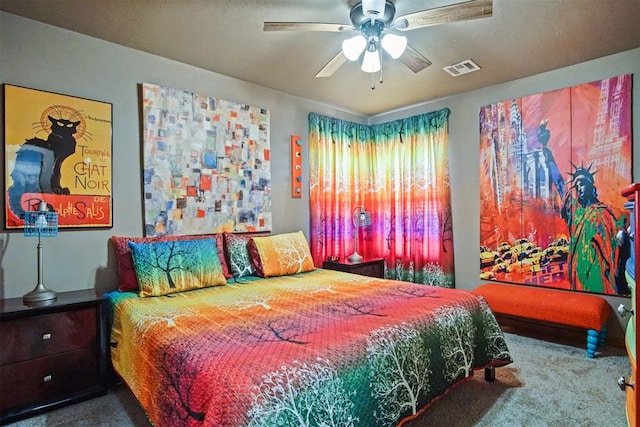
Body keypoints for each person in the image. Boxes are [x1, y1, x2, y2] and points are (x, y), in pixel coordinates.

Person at [560, 164, 624, 294]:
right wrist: (549, 157)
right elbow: (559, 185)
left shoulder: (603, 214)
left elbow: (615, 248)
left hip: (596, 279)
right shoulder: (576, 213)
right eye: (576, 185)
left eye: (582, 183)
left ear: (590, 186)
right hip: (577, 281)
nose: (579, 188)